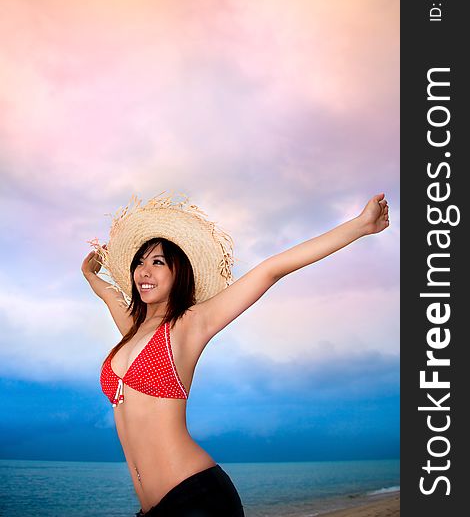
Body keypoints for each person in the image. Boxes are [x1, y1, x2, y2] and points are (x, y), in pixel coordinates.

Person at [81, 191, 390, 516]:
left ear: (179, 272)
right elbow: (107, 293)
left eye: (157, 262)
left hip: (195, 498)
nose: (144, 271)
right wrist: (90, 273)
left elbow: (271, 270)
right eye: (139, 263)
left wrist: (360, 225)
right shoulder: (132, 329)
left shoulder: (190, 324)